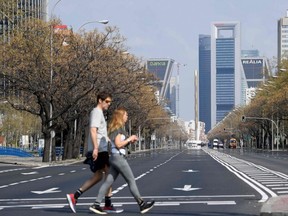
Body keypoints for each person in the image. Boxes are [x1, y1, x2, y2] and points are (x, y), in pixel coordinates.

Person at [89, 107, 155, 215]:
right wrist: (129, 139)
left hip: (114, 157)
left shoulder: (115, 128)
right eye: (126, 115)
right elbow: (119, 144)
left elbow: (119, 143)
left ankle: (96, 204)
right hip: (119, 158)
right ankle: (142, 204)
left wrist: (129, 141)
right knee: (131, 181)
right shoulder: (119, 128)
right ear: (121, 116)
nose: (127, 116)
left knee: (108, 182)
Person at [66, 92, 121, 213]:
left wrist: (110, 143)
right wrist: (96, 148)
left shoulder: (100, 113)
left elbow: (101, 133)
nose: (108, 104)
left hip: (102, 148)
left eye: (110, 102)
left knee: (99, 176)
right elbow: (93, 130)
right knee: (109, 174)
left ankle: (74, 197)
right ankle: (105, 204)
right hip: (100, 150)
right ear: (100, 100)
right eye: (107, 101)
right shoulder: (96, 112)